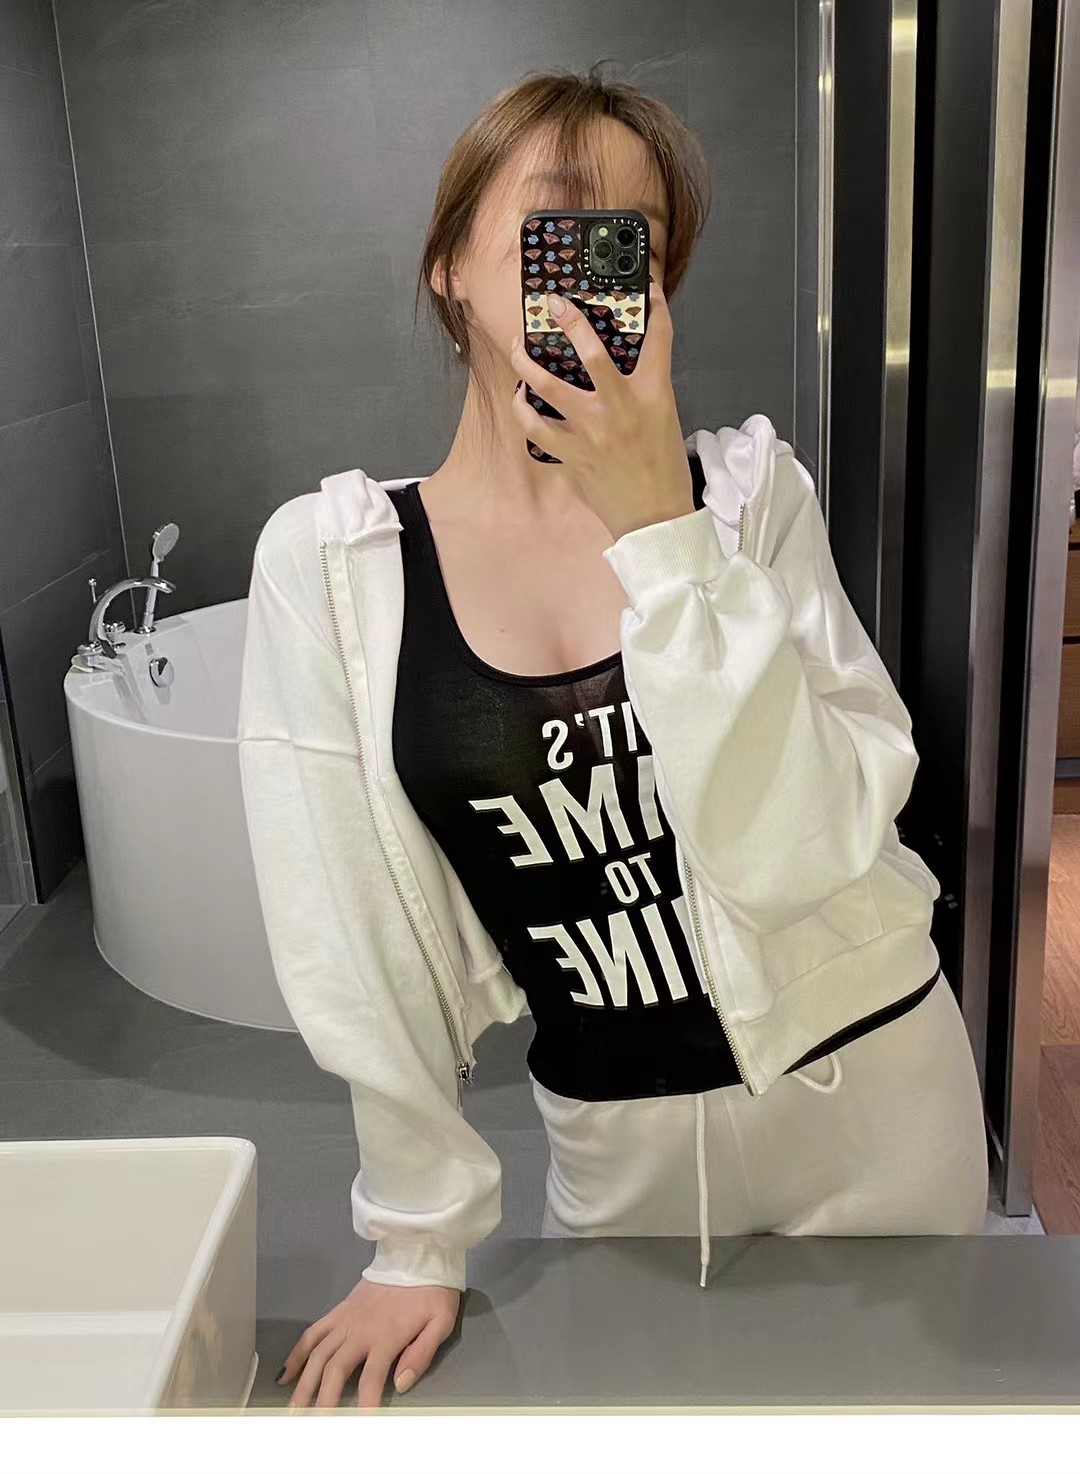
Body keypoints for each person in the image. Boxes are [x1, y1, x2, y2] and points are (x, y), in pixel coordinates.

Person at [237, 66, 989, 1412]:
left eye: (624, 240)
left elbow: (802, 850)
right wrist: (417, 1235)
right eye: (552, 222)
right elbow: (346, 930)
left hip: (876, 1092)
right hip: (617, 1139)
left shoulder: (747, 502)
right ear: (450, 266)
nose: (585, 266)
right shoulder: (340, 568)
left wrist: (662, 533)